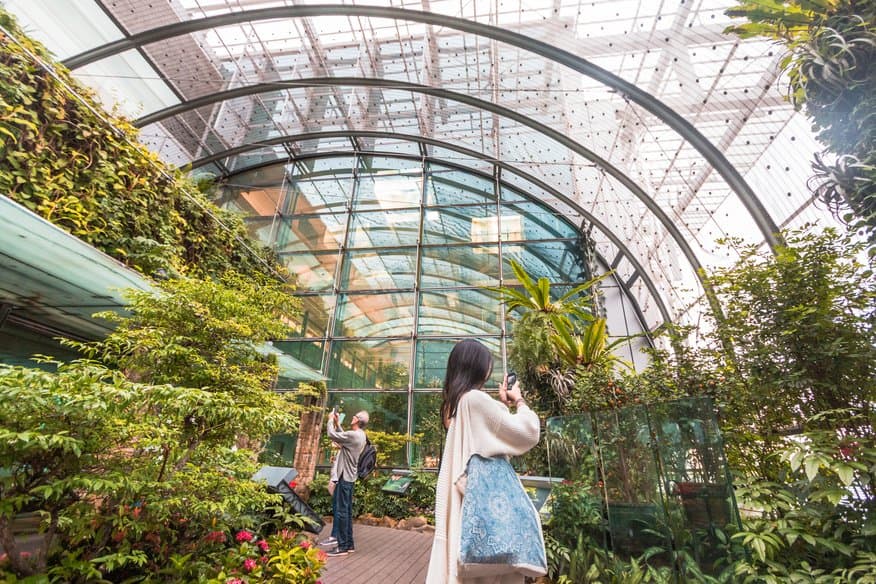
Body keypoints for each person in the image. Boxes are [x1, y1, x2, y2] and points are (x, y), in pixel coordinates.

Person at [425, 339, 542, 584]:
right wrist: (519, 400)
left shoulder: (456, 404)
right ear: (481, 367)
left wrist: (501, 405)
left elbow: (486, 435)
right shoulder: (475, 400)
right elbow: (528, 431)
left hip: (465, 503)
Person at [325, 409, 369, 557]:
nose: (352, 417)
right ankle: (349, 544)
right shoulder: (360, 435)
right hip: (350, 478)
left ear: (358, 420)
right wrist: (338, 424)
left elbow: (331, 435)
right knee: (347, 512)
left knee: (341, 512)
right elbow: (345, 438)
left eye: (354, 416)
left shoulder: (354, 435)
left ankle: (342, 547)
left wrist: (331, 420)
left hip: (344, 478)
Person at [318, 442, 340, 548]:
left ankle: (335, 537)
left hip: (338, 483)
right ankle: (337, 536)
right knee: (338, 510)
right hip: (337, 482)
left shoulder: (346, 452)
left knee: (338, 510)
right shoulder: (341, 453)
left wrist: (334, 481)